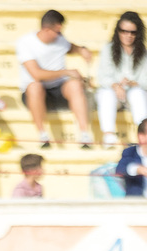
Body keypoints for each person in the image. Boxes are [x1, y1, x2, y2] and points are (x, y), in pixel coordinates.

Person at [17, 9, 94, 148]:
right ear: (47, 29)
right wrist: (66, 72)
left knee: (75, 85)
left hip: (58, 90)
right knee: (35, 86)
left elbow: (70, 47)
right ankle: (43, 136)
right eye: (57, 31)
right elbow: (36, 74)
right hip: (34, 93)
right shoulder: (25, 42)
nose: (60, 34)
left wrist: (82, 50)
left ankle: (84, 135)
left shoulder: (60, 40)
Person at [96, 11, 147, 149]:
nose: (128, 35)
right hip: (114, 95)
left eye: (132, 32)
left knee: (137, 94)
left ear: (138, 33)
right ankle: (109, 136)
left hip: (135, 94)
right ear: (117, 31)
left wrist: (134, 84)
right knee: (106, 93)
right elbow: (102, 77)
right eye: (123, 31)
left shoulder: (144, 53)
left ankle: (143, 139)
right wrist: (116, 86)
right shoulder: (108, 49)